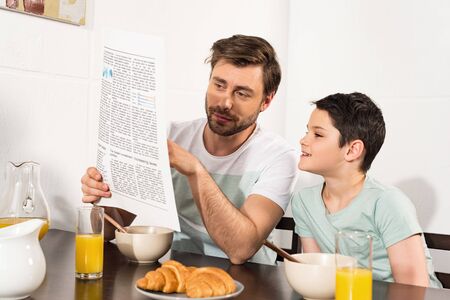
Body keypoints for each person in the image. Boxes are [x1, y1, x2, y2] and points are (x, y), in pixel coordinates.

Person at [81, 34, 297, 265]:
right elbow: (108, 230)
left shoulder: (280, 158)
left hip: (250, 282)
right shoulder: (172, 137)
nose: (225, 102)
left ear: (266, 101)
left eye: (242, 93)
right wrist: (99, 200)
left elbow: (241, 249)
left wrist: (196, 171)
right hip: (180, 275)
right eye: (219, 85)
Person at [291, 92, 442, 287]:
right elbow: (321, 273)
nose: (303, 140)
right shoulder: (303, 202)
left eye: (317, 134)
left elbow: (414, 289)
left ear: (352, 150)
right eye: (307, 131)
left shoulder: (388, 202)